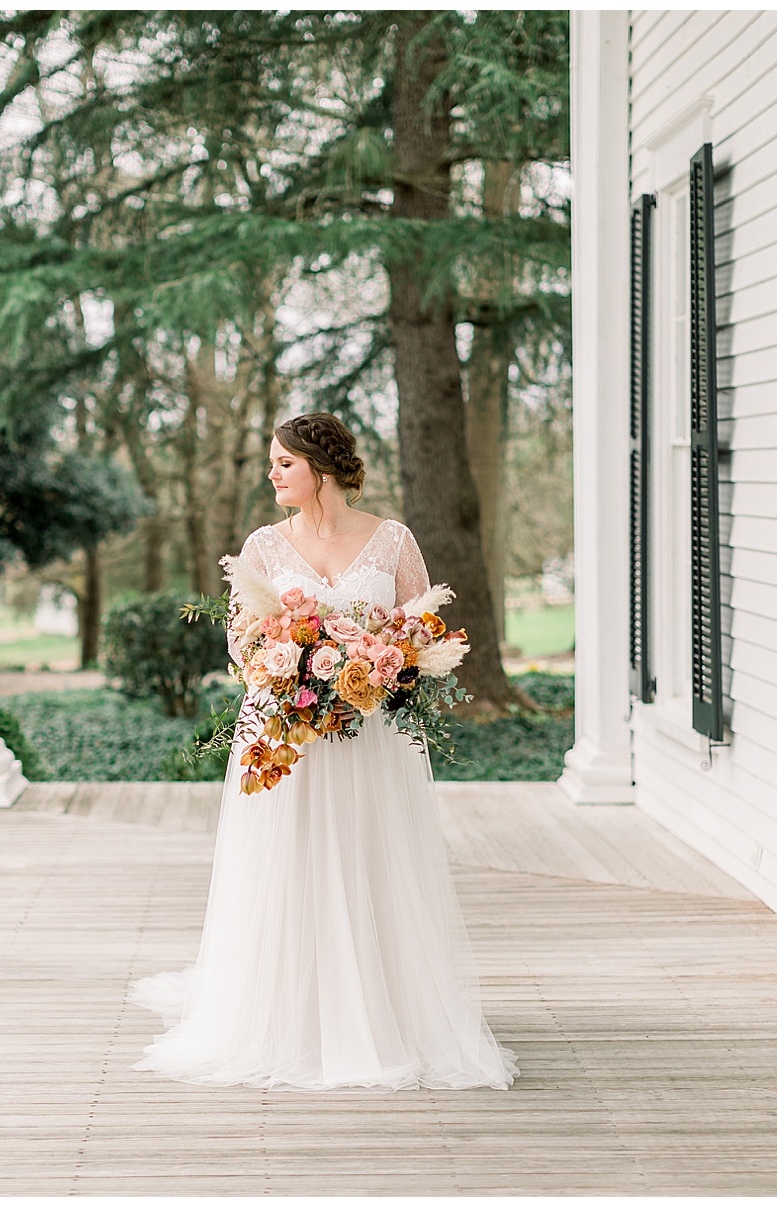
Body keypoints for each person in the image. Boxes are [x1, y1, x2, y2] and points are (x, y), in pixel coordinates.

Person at [129, 412, 518, 1092]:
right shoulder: (262, 547)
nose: (272, 473)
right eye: (272, 463)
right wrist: (299, 669)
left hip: (369, 738)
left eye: (284, 462)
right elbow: (242, 646)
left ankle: (382, 1009)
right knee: (290, 862)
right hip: (287, 733)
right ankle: (288, 1011)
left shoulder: (392, 540)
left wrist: (381, 664)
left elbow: (420, 631)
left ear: (323, 468)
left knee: (369, 861)